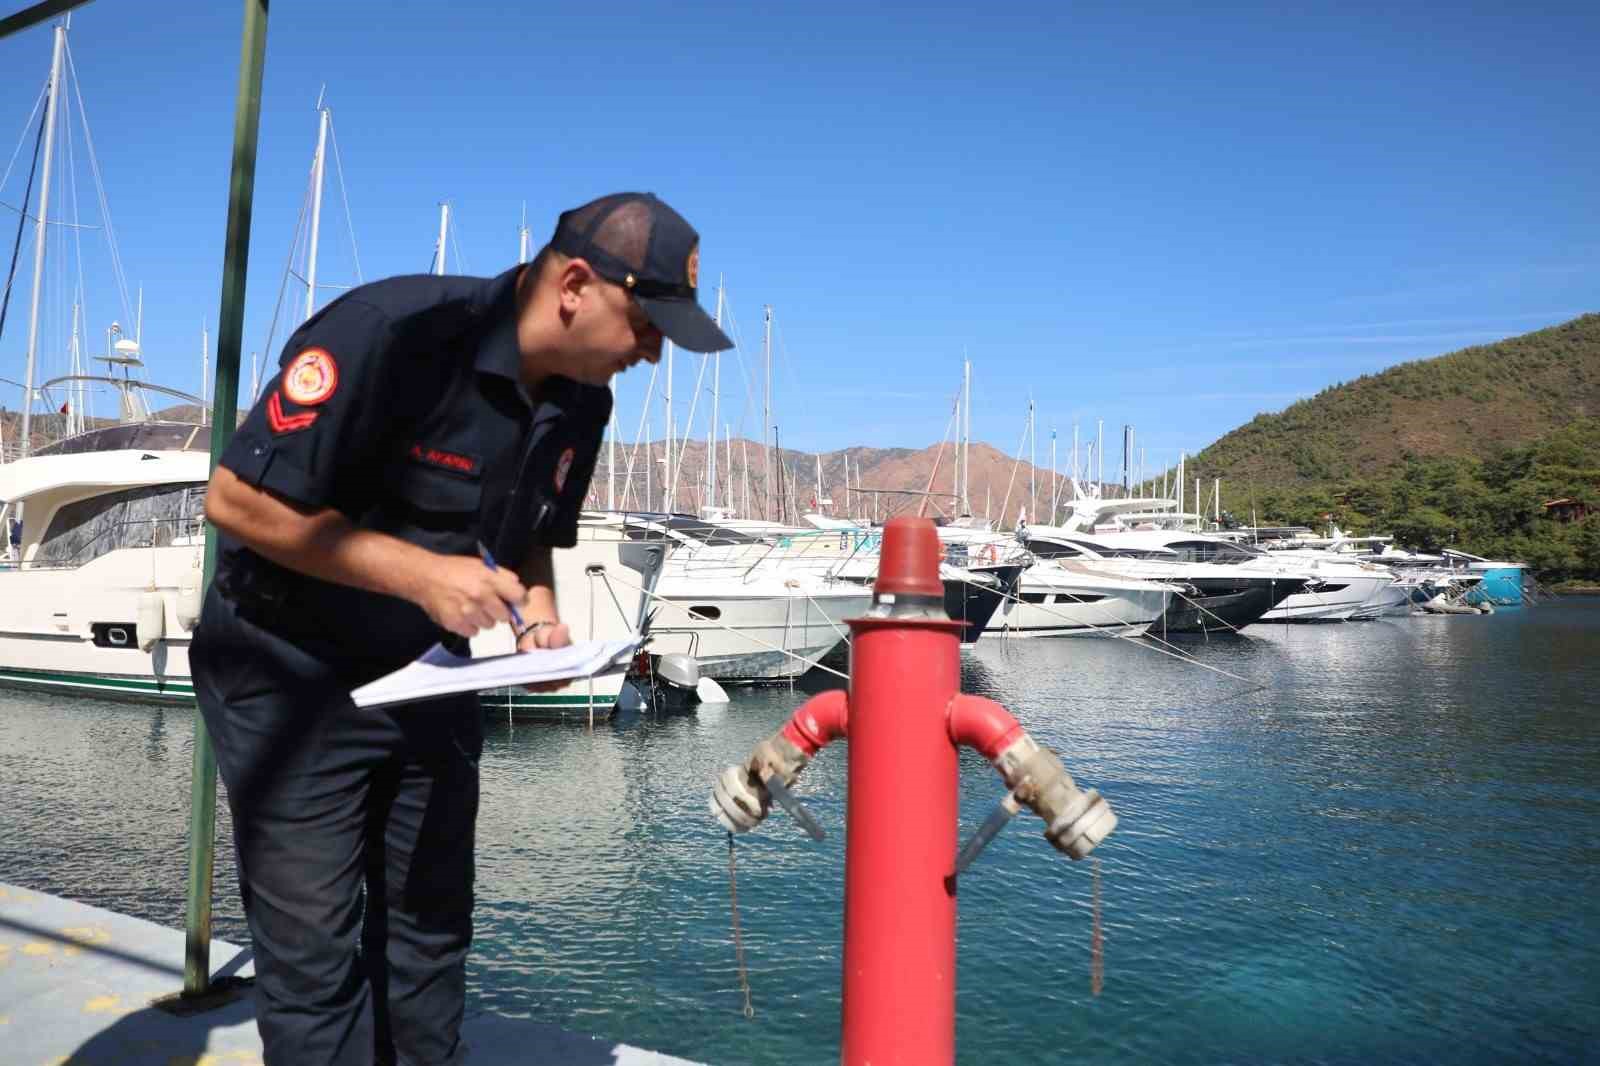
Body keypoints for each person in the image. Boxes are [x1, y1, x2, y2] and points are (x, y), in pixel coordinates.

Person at [191, 192, 732, 1066]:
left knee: (429, 934)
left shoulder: (584, 399)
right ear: (576, 286)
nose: (655, 352)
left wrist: (541, 623)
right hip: (285, 672)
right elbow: (234, 502)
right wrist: (420, 574)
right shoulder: (392, 333)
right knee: (316, 961)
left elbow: (532, 535)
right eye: (646, 323)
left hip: (427, 673)